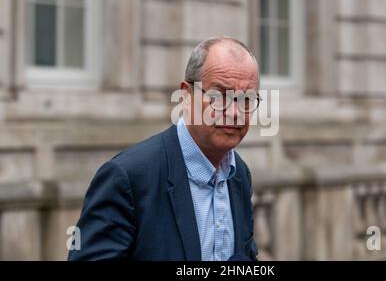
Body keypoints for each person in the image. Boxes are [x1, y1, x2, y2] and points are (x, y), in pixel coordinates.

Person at [68, 36, 260, 261]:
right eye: (218, 96)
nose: (235, 112)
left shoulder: (239, 174)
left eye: (246, 99)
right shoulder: (127, 178)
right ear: (186, 95)